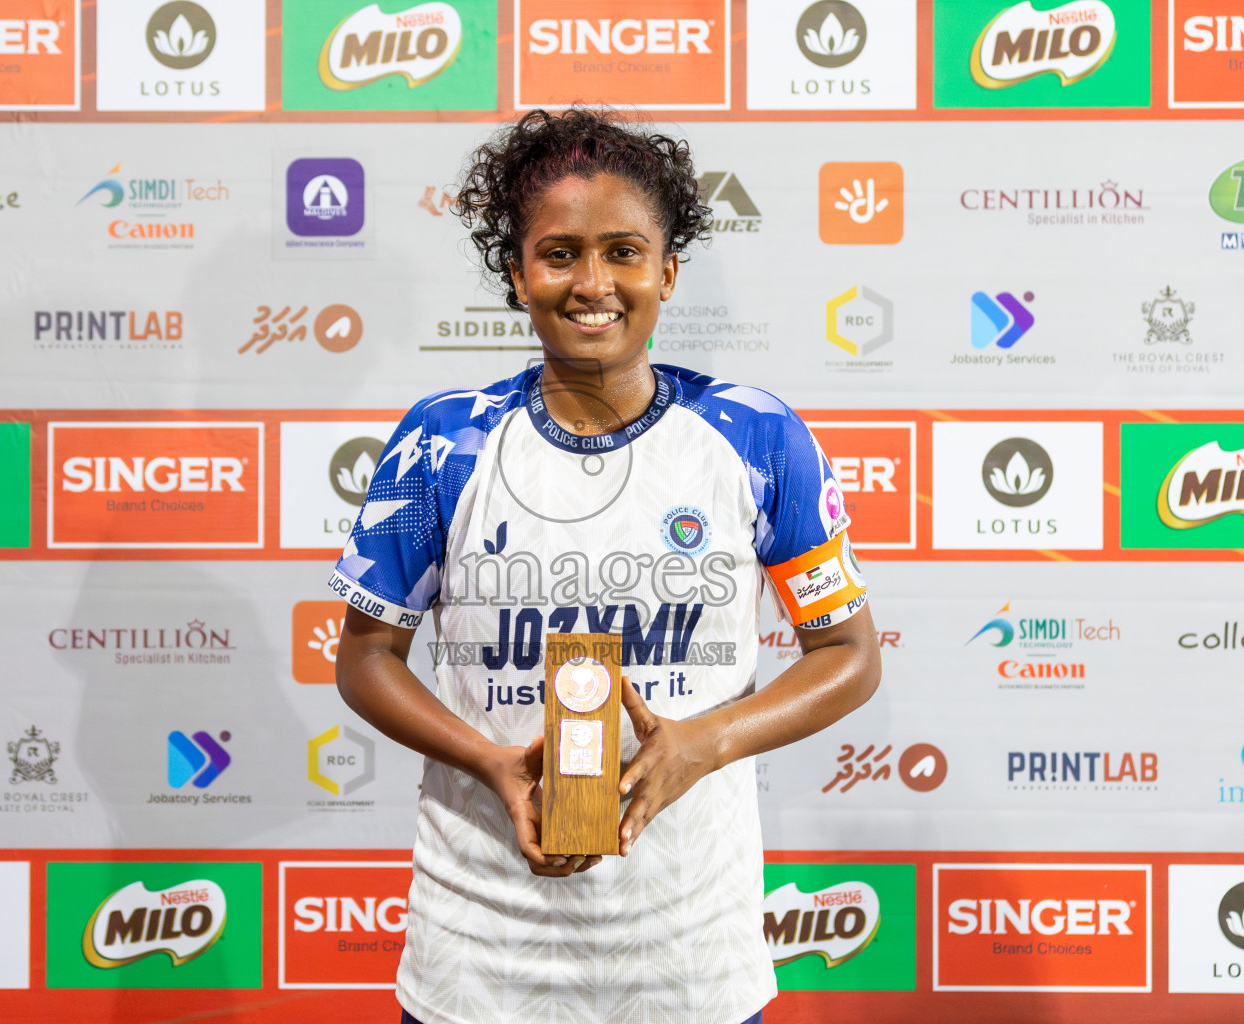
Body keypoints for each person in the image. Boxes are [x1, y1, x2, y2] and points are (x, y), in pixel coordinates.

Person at [332, 107, 882, 1024]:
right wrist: (493, 762)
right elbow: (364, 658)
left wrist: (704, 743)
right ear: (516, 274)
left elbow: (850, 658)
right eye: (559, 254)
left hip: (690, 957)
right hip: (480, 958)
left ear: (668, 270)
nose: (593, 283)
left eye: (624, 251)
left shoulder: (755, 436)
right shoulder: (444, 440)